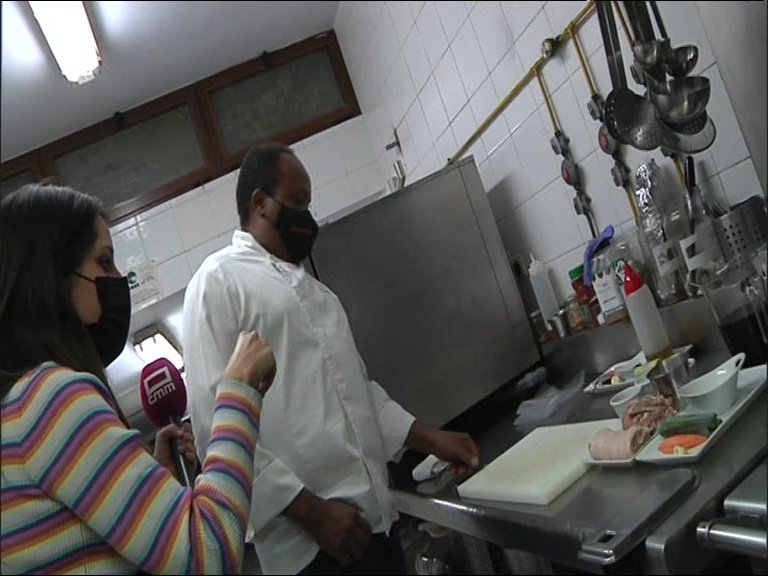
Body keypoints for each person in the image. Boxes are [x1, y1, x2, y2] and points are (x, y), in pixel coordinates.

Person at [182, 144, 481, 575]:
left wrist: (434, 440)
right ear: (260, 202)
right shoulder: (218, 280)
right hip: (310, 547)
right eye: (297, 202)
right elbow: (215, 426)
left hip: (376, 524)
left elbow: (358, 396)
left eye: (309, 204)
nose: (306, 217)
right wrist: (312, 514)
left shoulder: (319, 296)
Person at [0, 184, 277, 575]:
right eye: (104, 261)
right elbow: (207, 554)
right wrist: (239, 390)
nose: (119, 279)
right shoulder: (50, 400)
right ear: (54, 278)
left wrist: (151, 483)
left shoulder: (19, 407)